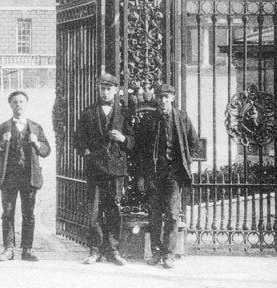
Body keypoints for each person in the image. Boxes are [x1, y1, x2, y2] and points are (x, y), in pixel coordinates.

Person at [134, 84, 198, 269]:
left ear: (173, 98)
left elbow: (194, 142)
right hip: (154, 173)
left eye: (167, 97)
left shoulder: (182, 118)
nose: (163, 100)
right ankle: (156, 252)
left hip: (173, 174)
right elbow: (140, 151)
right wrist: (141, 177)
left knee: (171, 214)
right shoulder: (149, 120)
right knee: (154, 214)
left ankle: (169, 254)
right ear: (157, 99)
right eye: (161, 97)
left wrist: (185, 160)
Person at [74, 72, 133, 266]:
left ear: (116, 91)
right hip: (95, 169)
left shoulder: (125, 113)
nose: (105, 92)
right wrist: (88, 154)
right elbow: (78, 140)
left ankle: (113, 250)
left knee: (114, 209)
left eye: (109, 89)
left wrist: (123, 139)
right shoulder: (89, 112)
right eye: (102, 88)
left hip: (116, 170)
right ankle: (95, 249)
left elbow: (134, 142)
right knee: (94, 210)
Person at [0, 90, 51, 262]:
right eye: (15, 102)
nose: (18, 105)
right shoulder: (3, 128)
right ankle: (8, 249)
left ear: (26, 104)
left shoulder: (36, 128)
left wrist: (37, 143)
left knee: (28, 213)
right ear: (10, 105)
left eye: (21, 102)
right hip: (9, 177)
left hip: (29, 176)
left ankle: (27, 249)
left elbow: (46, 151)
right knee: (8, 213)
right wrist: (3, 142)